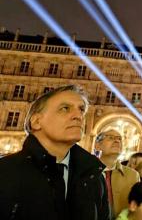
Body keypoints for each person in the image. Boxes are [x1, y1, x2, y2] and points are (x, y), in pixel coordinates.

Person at [0, 85, 110, 220]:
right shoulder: (4, 172)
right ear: (36, 121)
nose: (78, 116)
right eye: (65, 109)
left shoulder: (95, 177)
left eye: (81, 110)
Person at [95, 129, 141, 218]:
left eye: (119, 139)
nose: (117, 141)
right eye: (110, 138)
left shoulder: (133, 175)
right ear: (98, 145)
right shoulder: (87, 172)